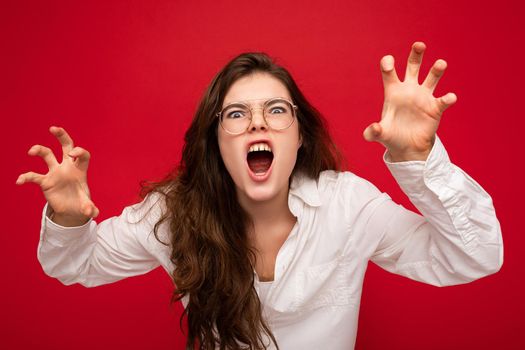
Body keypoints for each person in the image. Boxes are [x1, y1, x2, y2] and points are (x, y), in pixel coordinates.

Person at [17, 42, 503, 350]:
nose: (257, 123)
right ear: (216, 141)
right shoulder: (171, 213)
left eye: (275, 110)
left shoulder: (349, 206)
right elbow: (74, 265)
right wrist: (67, 219)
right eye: (236, 114)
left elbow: (476, 256)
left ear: (299, 138)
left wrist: (420, 162)